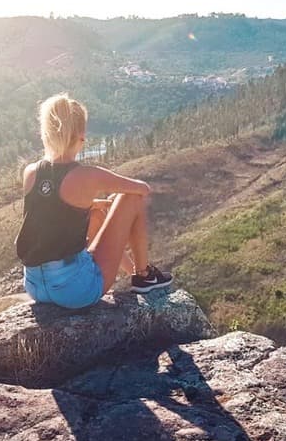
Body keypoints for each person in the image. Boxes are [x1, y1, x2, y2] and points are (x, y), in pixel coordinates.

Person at [15, 92, 173, 309]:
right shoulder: (87, 175)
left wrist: (89, 205)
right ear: (81, 137)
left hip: (35, 287)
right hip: (75, 290)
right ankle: (143, 275)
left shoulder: (31, 172)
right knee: (130, 198)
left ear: (46, 134)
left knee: (96, 214)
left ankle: (132, 272)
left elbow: (48, 211)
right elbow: (142, 189)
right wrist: (114, 199)